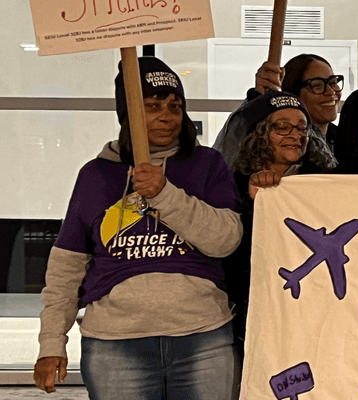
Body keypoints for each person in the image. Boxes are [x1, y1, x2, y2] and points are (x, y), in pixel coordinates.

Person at [34, 57, 242, 398]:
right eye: (152, 106)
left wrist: (165, 194)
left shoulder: (208, 164)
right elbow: (65, 272)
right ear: (127, 113)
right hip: (115, 347)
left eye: (175, 106)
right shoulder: (96, 175)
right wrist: (50, 343)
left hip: (203, 338)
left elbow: (226, 240)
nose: (167, 115)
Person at [222, 90, 336, 366]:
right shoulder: (232, 185)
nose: (296, 135)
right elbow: (230, 254)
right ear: (258, 133)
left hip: (317, 315)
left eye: (301, 127)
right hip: (254, 315)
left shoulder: (329, 182)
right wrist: (253, 208)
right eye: (282, 127)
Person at [214, 54, 341, 167]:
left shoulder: (345, 139)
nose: (331, 92)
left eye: (333, 82)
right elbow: (228, 156)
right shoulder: (269, 141)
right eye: (317, 85)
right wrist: (258, 98)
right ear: (293, 94)